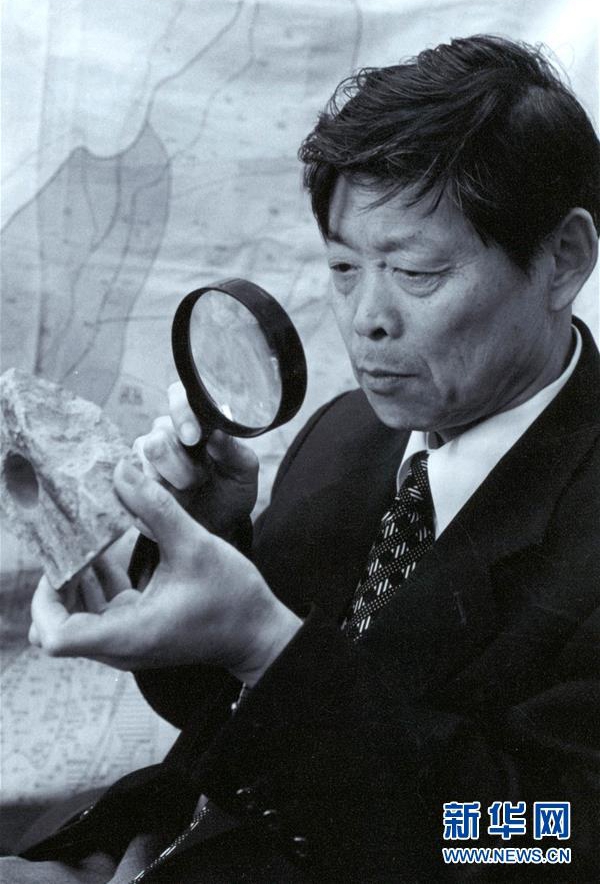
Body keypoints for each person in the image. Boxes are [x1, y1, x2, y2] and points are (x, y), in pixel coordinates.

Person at [5, 34, 599, 882]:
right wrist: (202, 547)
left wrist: (268, 646)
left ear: (563, 259)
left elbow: (542, 844)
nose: (366, 319)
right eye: (344, 266)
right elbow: (219, 722)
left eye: (415, 272)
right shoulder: (347, 436)